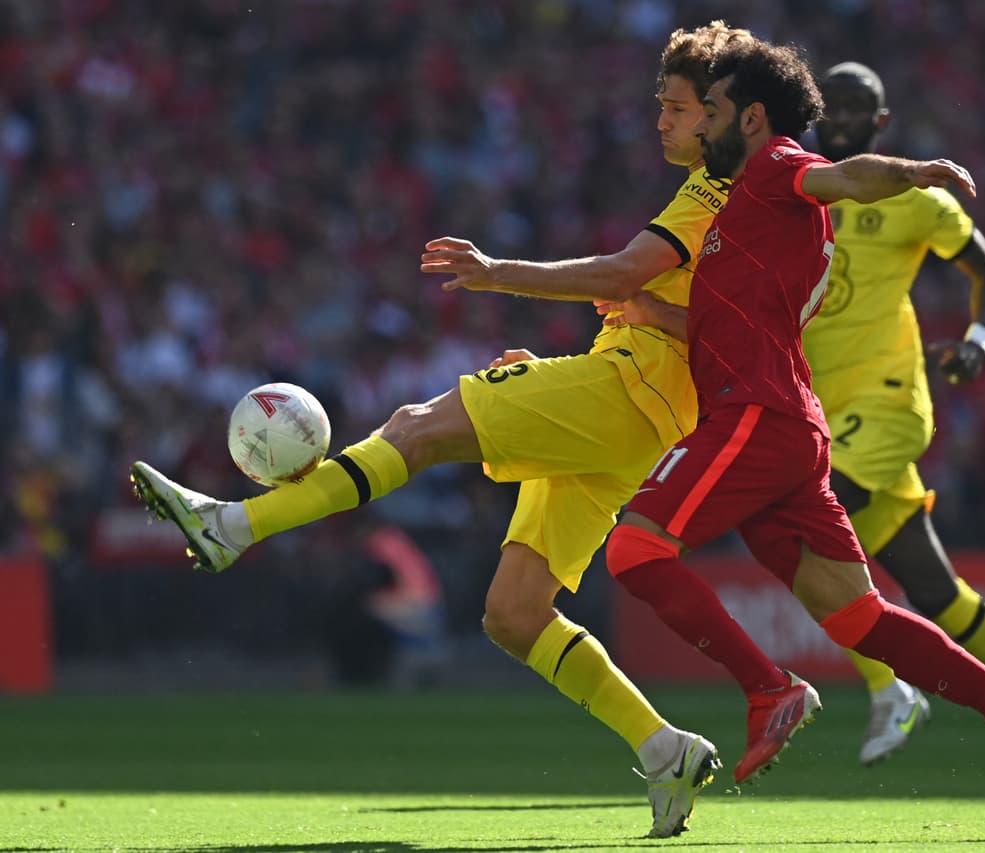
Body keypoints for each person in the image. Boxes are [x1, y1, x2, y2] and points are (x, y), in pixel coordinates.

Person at [131, 21, 757, 839]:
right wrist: (585, 354)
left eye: (677, 108)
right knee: (514, 612)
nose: (663, 122)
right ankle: (664, 746)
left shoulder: (711, 194)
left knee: (415, 427)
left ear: (719, 112)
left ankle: (231, 525)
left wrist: (498, 272)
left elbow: (619, 276)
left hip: (621, 396)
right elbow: (694, 320)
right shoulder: (742, 204)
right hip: (633, 412)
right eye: (661, 106)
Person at [592, 39, 985, 827]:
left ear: (749, 117)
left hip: (757, 416)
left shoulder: (779, 165)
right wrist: (654, 313)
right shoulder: (754, 206)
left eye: (710, 111)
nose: (701, 125)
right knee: (859, 617)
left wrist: (916, 172)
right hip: (791, 427)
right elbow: (741, 323)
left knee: (636, 550)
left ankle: (768, 687)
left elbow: (844, 174)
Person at [799, 62, 985, 786]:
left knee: (801, 524)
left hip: (888, 399)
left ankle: (888, 689)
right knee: (934, 591)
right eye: (828, 108)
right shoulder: (796, 188)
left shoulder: (908, 196)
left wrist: (978, 339)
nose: (838, 119)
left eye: (855, 110)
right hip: (820, 410)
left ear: (880, 124)